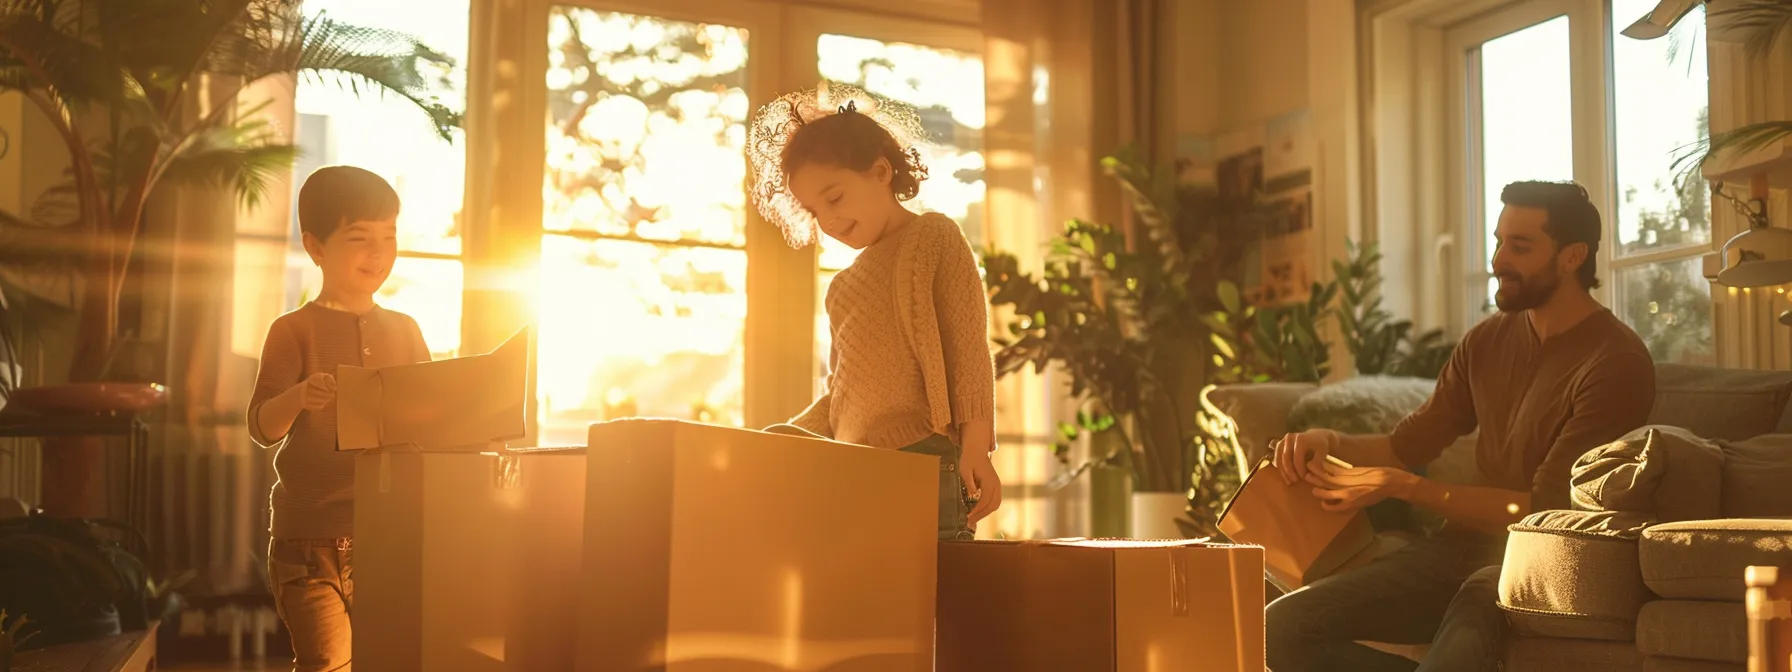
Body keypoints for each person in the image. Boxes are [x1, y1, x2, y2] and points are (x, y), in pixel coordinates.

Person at [1264, 181, 1656, 671]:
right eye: (1497, 241)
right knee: (1276, 630)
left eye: (1520, 246)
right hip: (1452, 553)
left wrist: (1407, 488)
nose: (1498, 260)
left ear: (1572, 256)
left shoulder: (1615, 361)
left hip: (1536, 563)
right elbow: (1407, 444)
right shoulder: (1487, 341)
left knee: (1476, 601)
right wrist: (1329, 442)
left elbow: (1543, 510)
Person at [747, 83, 1002, 540]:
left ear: (881, 171)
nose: (827, 221)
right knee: (874, 598)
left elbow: (967, 350)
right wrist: (783, 437)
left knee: (937, 596)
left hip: (927, 461)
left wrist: (977, 449)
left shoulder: (934, 238)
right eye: (813, 210)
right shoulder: (841, 288)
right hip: (856, 472)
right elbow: (842, 392)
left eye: (835, 197)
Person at [248, 166, 431, 672]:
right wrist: (301, 397)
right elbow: (261, 426)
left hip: (388, 537)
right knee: (327, 662)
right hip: (308, 544)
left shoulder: (406, 331)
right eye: (359, 238)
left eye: (388, 237)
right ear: (316, 246)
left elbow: (431, 425)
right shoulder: (293, 331)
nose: (378, 254)